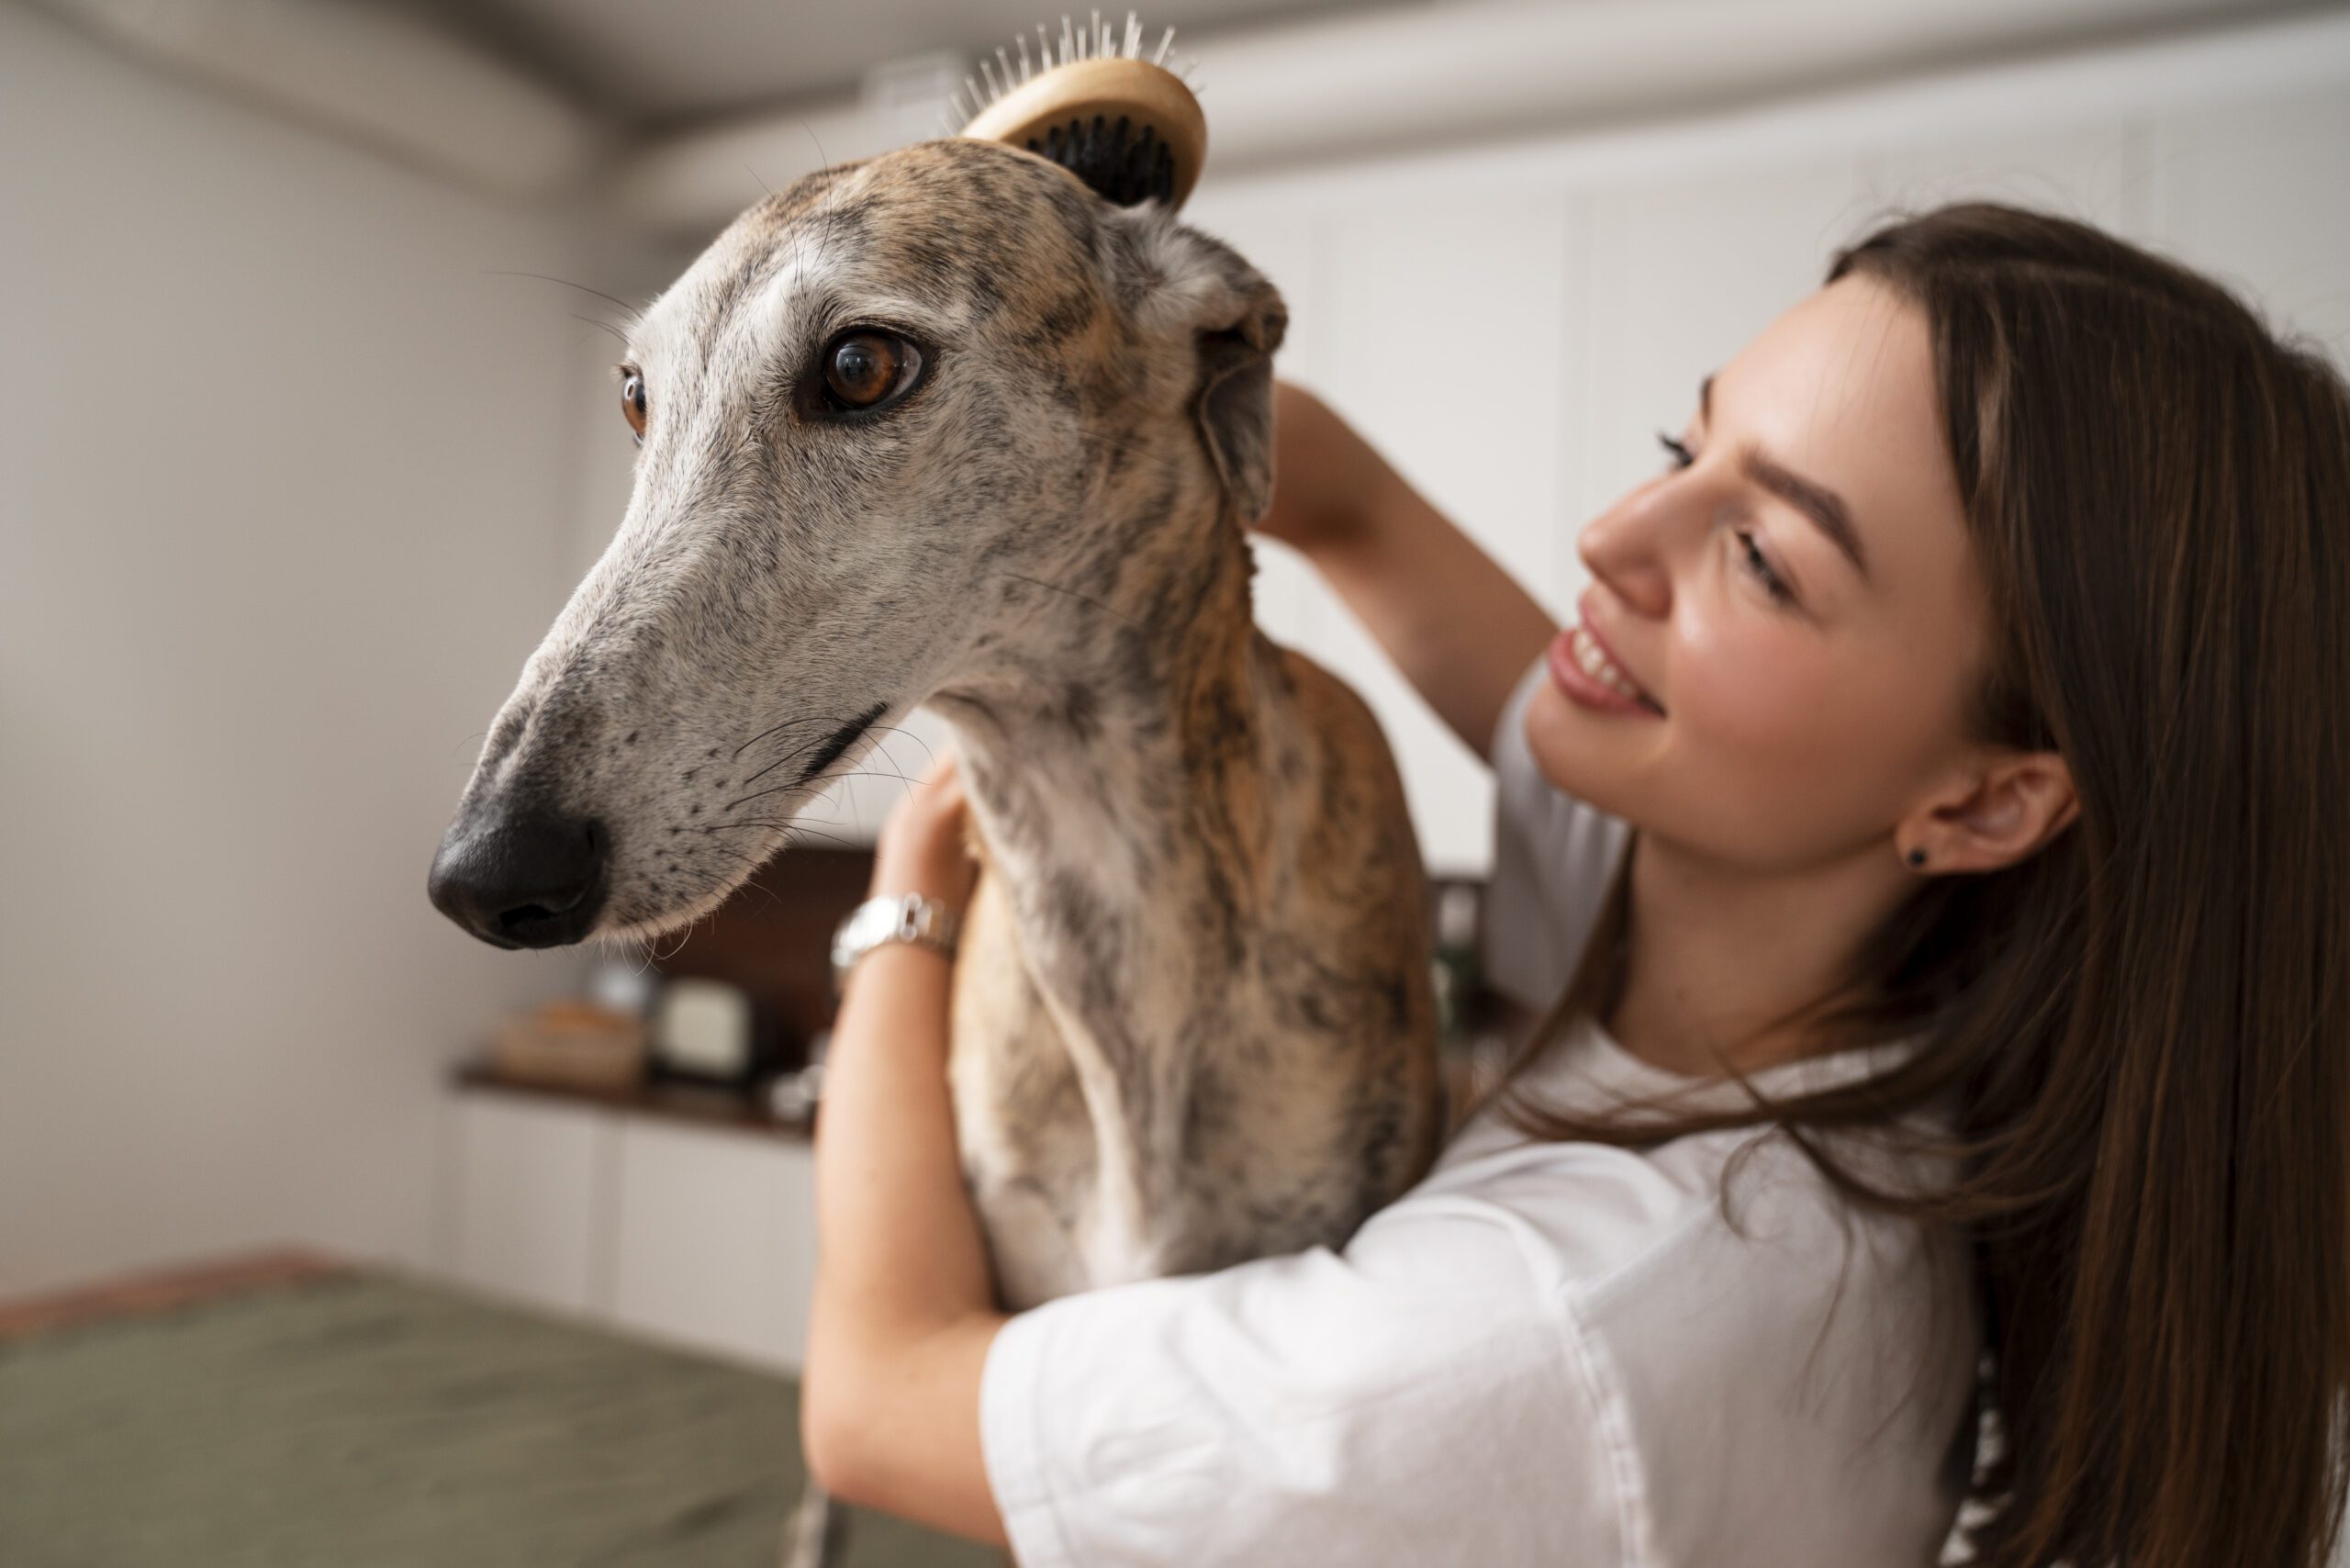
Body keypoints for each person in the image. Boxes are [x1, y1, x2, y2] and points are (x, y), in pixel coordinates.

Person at [797, 204, 2350, 1566]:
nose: (1614, 540)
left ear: (1993, 796)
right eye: (1690, 447)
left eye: (1766, 560)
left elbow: (875, 1402)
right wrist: (1079, 315)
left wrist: (908, 907)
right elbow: (1351, 505)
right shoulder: (1750, 929)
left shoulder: (1561, 1337)